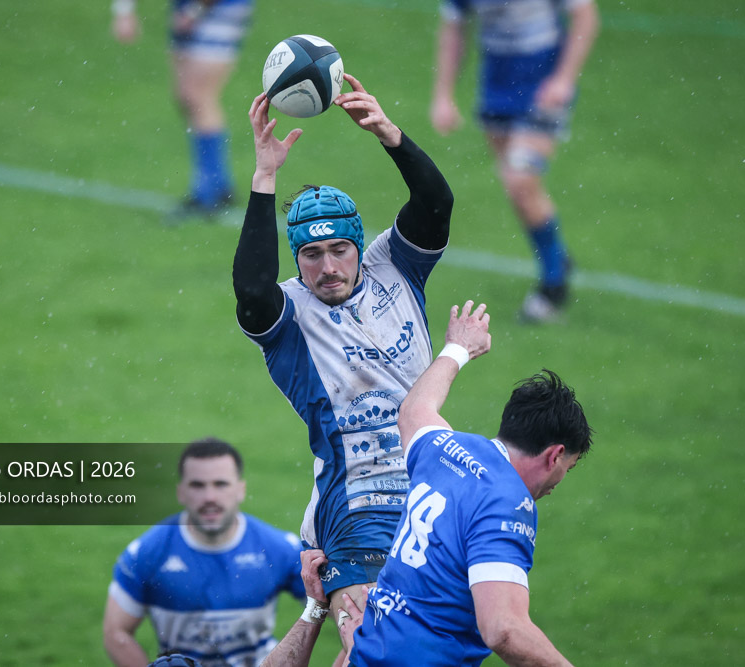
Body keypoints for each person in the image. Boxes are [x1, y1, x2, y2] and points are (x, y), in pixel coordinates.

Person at [232, 73, 454, 625]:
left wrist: (390, 135)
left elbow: (435, 202)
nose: (328, 267)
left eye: (339, 250)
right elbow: (251, 290)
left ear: (359, 246)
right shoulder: (287, 318)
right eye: (310, 255)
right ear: (296, 258)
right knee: (368, 645)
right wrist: (265, 176)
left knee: (426, 648)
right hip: (358, 504)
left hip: (433, 491)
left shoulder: (395, 267)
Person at [347, 300, 594, 666]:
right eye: (568, 468)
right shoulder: (508, 503)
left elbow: (414, 410)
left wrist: (458, 348)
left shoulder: (445, 448)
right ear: (555, 455)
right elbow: (503, 629)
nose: (559, 482)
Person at [431, 0, 600, 322]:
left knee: (521, 182)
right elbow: (454, 27)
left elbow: (585, 14)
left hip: (542, 83)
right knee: (518, 189)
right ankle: (558, 257)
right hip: (497, 83)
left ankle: (553, 285)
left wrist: (564, 79)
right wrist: (444, 95)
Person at [103, 437, 306, 667]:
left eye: (220, 484)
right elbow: (115, 631)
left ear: (241, 490)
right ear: (181, 492)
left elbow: (342, 612)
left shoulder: (280, 549)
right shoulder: (146, 554)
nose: (210, 497)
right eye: (197, 485)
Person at [111, 0, 252, 214]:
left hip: (217, 7)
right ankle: (218, 186)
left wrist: (195, 10)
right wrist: (124, 11)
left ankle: (209, 192)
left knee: (199, 96)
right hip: (187, 7)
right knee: (187, 96)